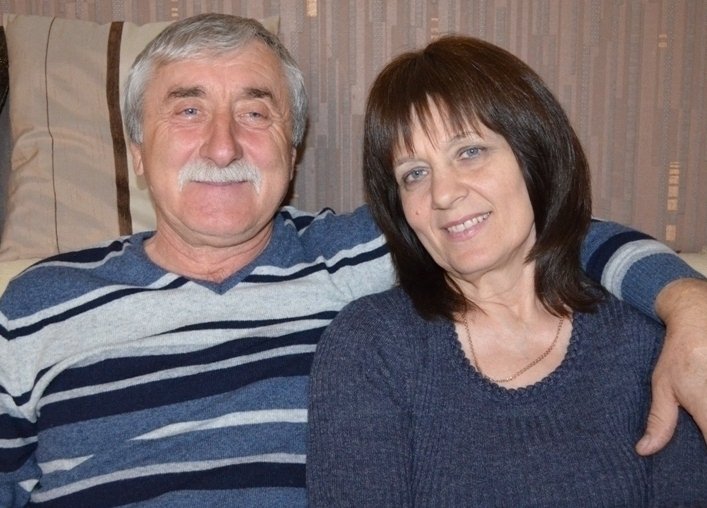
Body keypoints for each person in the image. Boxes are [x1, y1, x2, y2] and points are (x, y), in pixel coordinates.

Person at [0, 14, 704, 507]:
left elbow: (534, 228)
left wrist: (686, 302)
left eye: (255, 113)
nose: (222, 145)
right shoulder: (37, 303)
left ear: (293, 149)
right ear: (136, 152)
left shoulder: (361, 252)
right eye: (187, 111)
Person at [307, 35, 707, 506]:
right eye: (414, 173)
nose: (443, 194)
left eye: (469, 152)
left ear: (534, 154)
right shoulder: (372, 346)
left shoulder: (650, 338)